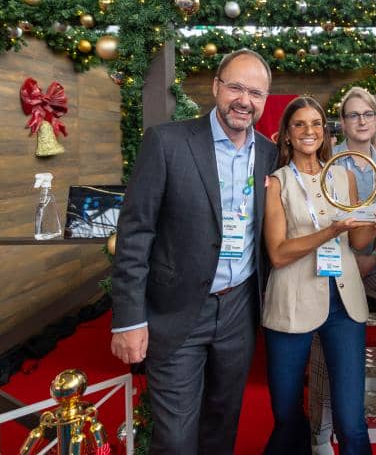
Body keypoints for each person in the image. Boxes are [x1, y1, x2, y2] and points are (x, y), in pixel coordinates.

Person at [110, 48, 277, 454]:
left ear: (265, 101)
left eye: (255, 93)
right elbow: (135, 232)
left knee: (222, 425)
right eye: (235, 87)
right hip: (178, 310)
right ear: (216, 87)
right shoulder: (167, 142)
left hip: (239, 308)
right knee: (176, 439)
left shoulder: (270, 154)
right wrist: (128, 320)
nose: (244, 100)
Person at [262, 96, 376, 455]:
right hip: (291, 303)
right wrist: (330, 231)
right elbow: (278, 253)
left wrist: (375, 225)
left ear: (326, 131)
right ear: (287, 134)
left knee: (351, 419)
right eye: (299, 124)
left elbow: (356, 241)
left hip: (344, 305)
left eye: (316, 124)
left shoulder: (343, 174)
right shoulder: (278, 182)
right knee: (286, 413)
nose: (309, 131)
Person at [309, 87, 376, 454]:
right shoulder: (328, 163)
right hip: (334, 264)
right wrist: (347, 261)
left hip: (375, 262)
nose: (361, 121)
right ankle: (320, 431)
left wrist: (374, 255)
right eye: (353, 115)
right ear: (342, 122)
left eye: (368, 114)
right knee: (324, 350)